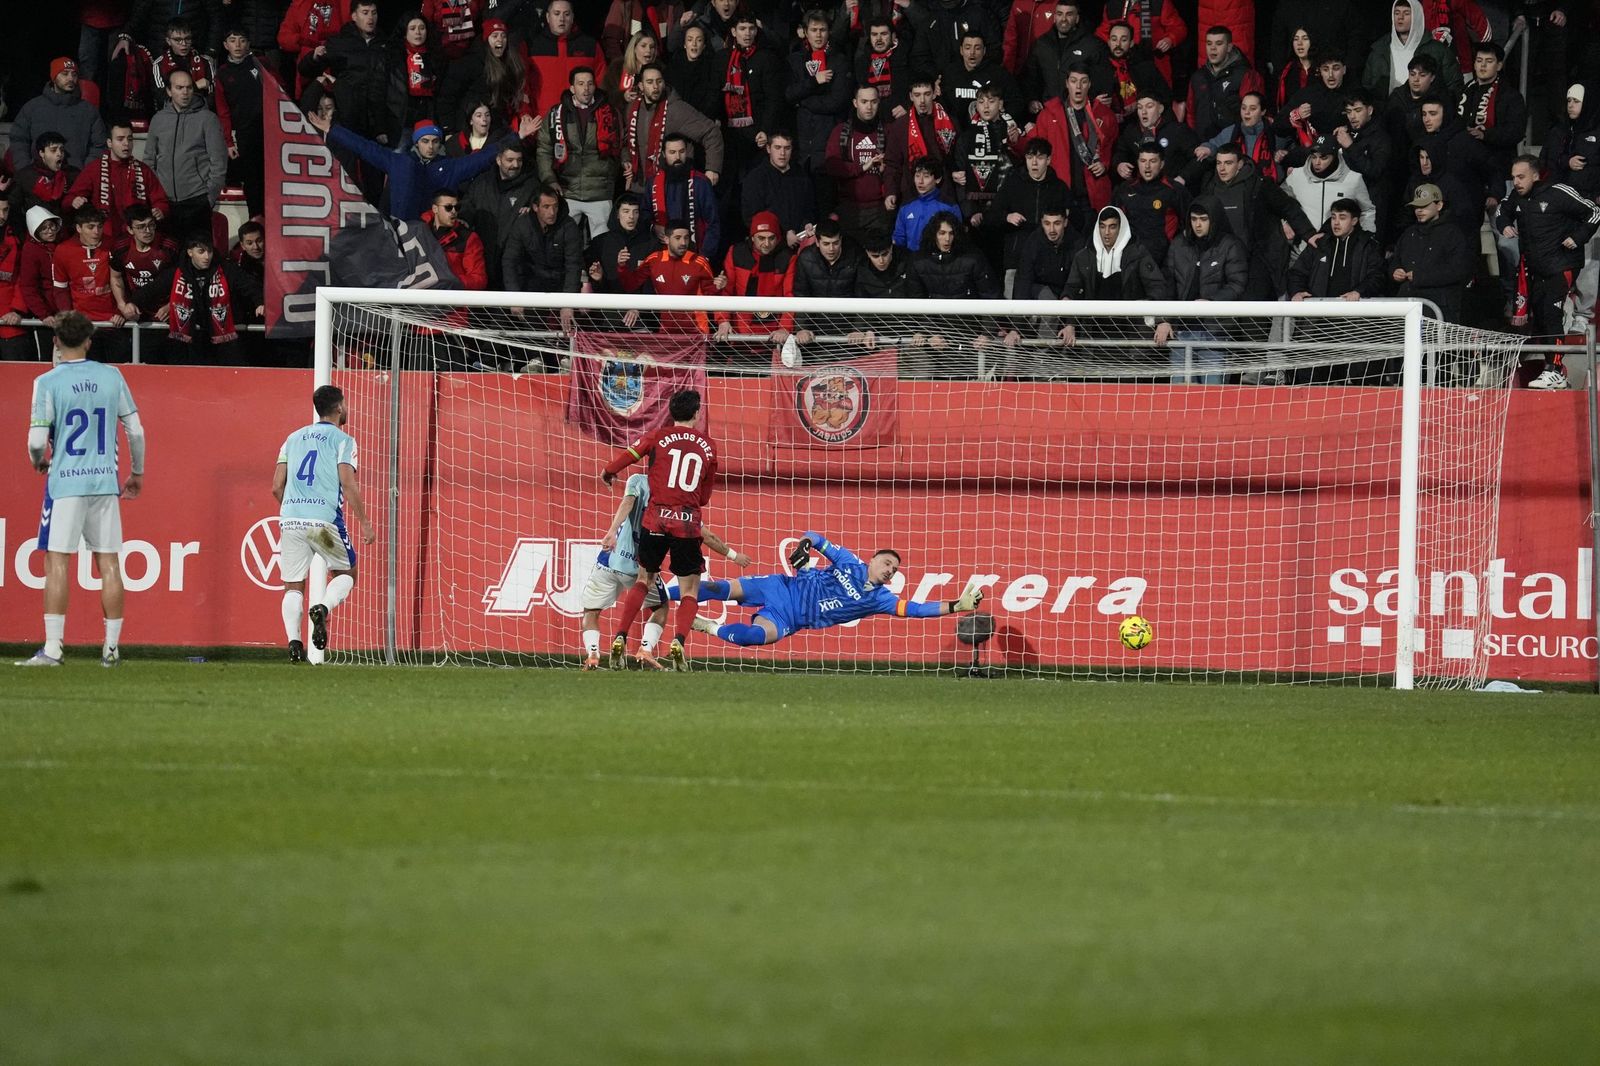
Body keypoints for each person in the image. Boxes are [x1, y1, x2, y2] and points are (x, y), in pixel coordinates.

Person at [16, 311, 145, 667]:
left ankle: (54, 648)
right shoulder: (112, 376)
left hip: (66, 484)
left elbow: (37, 439)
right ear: (89, 341)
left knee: (57, 560)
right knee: (109, 562)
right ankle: (112, 650)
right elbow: (135, 431)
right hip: (104, 483)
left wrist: (39, 459)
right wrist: (137, 472)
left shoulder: (47, 382)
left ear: (56, 341)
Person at [683, 532, 984, 648]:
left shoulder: (879, 599)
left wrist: (956, 605)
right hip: (782, 587)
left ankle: (710, 628)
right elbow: (815, 537)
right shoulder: (849, 560)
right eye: (887, 562)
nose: (890, 568)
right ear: (873, 560)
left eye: (894, 569)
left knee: (755, 638)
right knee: (716, 587)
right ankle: (666, 597)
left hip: (791, 619)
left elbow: (916, 610)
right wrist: (803, 546)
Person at [600, 389, 718, 670]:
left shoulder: (659, 435)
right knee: (690, 590)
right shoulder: (709, 446)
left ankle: (620, 636)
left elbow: (630, 455)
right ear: (696, 413)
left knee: (644, 579)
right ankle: (678, 641)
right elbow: (703, 498)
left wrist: (609, 471)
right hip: (687, 524)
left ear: (671, 413)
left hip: (655, 520)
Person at [582, 472, 749, 670]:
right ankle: (646, 649)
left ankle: (593, 654)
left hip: (609, 560)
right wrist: (733, 555)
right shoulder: (677, 494)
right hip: (639, 564)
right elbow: (706, 535)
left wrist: (611, 532)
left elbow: (627, 503)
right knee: (662, 607)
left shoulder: (638, 480)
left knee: (592, 611)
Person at [272, 385, 377, 663]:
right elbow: (347, 482)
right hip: (322, 524)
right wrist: (365, 522)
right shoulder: (344, 441)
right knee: (346, 573)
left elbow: (275, 487)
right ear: (340, 407)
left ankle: (294, 643)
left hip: (290, 520)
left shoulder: (291, 439)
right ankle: (323, 607)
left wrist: (293, 511)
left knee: (293, 586)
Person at [1496, 155, 1600, 385]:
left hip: (1560, 265)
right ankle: (1555, 371)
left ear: (1535, 175)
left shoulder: (1558, 192)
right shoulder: (1517, 196)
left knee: (1552, 315)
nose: (1517, 182)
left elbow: (1594, 212)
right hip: (1534, 268)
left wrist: (1578, 237)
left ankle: (1554, 367)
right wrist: (1504, 225)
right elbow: (1501, 211)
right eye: (1513, 178)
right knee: (1541, 318)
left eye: (1521, 177)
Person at [310, 112, 498, 221]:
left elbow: (482, 158)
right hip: (401, 232)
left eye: (435, 142)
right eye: (425, 141)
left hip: (434, 235)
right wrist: (333, 130)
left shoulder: (450, 167)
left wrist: (517, 137)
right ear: (417, 143)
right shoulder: (400, 162)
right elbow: (364, 148)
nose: (430, 147)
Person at [137, 235, 266, 365]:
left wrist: (260, 302)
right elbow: (151, 289)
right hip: (192, 341)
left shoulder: (226, 269)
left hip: (225, 341)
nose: (206, 256)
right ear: (190, 252)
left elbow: (249, 285)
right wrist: (131, 303)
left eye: (209, 251)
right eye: (201, 251)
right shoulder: (178, 272)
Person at [1165, 196, 1247, 383]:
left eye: (1203, 219)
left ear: (1214, 219)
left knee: (1211, 395)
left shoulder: (1230, 245)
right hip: (1181, 331)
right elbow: (1168, 285)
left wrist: (1211, 302)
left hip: (1215, 331)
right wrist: (1165, 319)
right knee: (1179, 394)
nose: (1198, 225)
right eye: (1194, 219)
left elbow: (1237, 284)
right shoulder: (1178, 245)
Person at [536, 67, 622, 241]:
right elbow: (544, 149)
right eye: (581, 84)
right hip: (568, 192)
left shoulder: (609, 113)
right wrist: (549, 179)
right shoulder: (556, 114)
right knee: (564, 243)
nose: (586, 88)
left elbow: (622, 143)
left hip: (600, 192)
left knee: (603, 245)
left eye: (590, 84)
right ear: (572, 88)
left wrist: (624, 163)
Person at [144, 71, 228, 241]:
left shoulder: (207, 119)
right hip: (165, 203)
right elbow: (149, 160)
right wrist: (155, 196)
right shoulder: (158, 119)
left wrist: (208, 199)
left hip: (196, 201)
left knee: (197, 258)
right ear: (169, 91)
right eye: (179, 88)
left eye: (189, 88)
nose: (185, 92)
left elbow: (218, 161)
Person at [52, 207, 139, 363]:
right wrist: (69, 318)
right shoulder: (63, 250)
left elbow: (126, 280)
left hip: (114, 323)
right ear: (79, 228)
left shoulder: (114, 245)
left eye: (99, 226)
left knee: (118, 372)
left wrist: (122, 310)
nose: (96, 231)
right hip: (83, 326)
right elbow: (60, 289)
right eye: (90, 227)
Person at [67, 123, 171, 246]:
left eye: (130, 139)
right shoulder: (94, 169)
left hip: (136, 239)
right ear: (109, 143)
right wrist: (75, 201)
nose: (126, 143)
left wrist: (160, 210)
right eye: (120, 139)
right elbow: (69, 199)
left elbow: (161, 201)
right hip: (104, 238)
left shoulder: (143, 170)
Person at [1389, 182, 1473, 324]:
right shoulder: (1409, 233)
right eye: (1416, 207)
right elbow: (1395, 260)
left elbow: (1458, 271)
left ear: (1439, 205)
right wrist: (1394, 271)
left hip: (1440, 307)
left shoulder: (1453, 234)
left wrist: (1420, 277)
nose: (1419, 210)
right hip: (1408, 306)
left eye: (1424, 206)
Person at [7, 58, 108, 172]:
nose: (70, 78)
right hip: (37, 179)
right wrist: (25, 170)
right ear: (53, 77)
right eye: (65, 74)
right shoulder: (32, 107)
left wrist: (86, 174)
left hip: (75, 180)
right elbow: (18, 139)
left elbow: (99, 145)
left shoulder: (89, 111)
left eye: (74, 74)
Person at [459, 140, 537, 289]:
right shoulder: (482, 183)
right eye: (510, 160)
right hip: (484, 259)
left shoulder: (531, 186)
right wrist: (464, 219)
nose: (515, 165)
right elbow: (467, 208)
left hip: (516, 265)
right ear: (498, 160)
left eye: (519, 160)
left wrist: (532, 215)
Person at [787, 11, 854, 182]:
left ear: (829, 32)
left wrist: (803, 100)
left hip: (828, 135)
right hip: (802, 138)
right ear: (805, 32)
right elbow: (788, 94)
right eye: (814, 30)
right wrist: (814, 81)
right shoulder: (795, 60)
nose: (818, 35)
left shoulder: (839, 60)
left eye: (822, 30)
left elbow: (837, 102)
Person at [826, 85, 894, 248]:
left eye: (873, 102)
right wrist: (863, 166)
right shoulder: (841, 131)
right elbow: (832, 166)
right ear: (855, 103)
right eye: (864, 102)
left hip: (879, 209)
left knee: (879, 257)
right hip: (850, 209)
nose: (869, 107)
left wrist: (887, 168)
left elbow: (897, 166)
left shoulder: (887, 130)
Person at [1186, 25, 1263, 142]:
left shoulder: (1245, 75)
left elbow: (1253, 114)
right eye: (1209, 43)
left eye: (1218, 43)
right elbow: (1191, 113)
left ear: (1229, 47)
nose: (1213, 48)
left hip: (1234, 146)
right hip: (1203, 147)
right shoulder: (1198, 77)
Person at [740, 131, 819, 245]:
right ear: (768, 149)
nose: (782, 153)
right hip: (769, 243)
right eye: (777, 147)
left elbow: (809, 208)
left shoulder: (801, 175)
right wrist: (784, 232)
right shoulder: (755, 178)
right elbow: (751, 217)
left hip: (801, 239)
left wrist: (807, 224)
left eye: (787, 148)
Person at [893, 157, 960, 250]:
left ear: (938, 179)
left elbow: (957, 238)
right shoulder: (906, 206)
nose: (920, 181)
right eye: (917, 176)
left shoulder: (949, 206)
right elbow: (899, 238)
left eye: (926, 176)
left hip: (939, 261)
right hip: (912, 260)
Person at [13, 133, 81, 219]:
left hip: (65, 228)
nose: (59, 153)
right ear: (41, 153)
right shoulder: (25, 175)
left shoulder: (72, 174)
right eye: (53, 150)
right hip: (35, 229)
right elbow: (14, 206)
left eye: (62, 150)